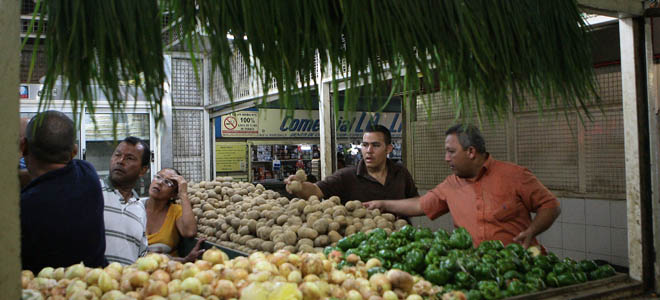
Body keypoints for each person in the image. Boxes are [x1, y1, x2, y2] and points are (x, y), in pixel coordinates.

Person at [364, 124, 561, 248]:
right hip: (475, 271)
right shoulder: (451, 184)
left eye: (451, 152)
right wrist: (382, 203)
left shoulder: (515, 175)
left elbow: (550, 206)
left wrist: (532, 231)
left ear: (471, 152)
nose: (446, 158)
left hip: (517, 268)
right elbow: (419, 205)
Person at [20, 111, 106, 272]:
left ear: (23, 147)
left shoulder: (24, 208)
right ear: (74, 151)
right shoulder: (88, 174)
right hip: (93, 288)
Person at [285, 125, 418, 204]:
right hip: (362, 244)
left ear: (388, 149)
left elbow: (415, 202)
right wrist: (299, 186)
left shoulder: (401, 173)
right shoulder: (346, 176)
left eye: (376, 145)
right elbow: (316, 190)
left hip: (400, 241)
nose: (369, 151)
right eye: (365, 145)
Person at [103, 136, 150, 265]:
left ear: (143, 170)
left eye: (129, 158)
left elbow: (142, 255)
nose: (120, 161)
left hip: (125, 283)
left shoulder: (139, 208)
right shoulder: (94, 192)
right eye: (117, 155)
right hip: (94, 282)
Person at [144, 168, 202, 262]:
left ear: (174, 194)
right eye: (158, 177)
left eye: (167, 182)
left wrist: (183, 194)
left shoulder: (175, 211)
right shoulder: (135, 208)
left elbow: (189, 231)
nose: (159, 183)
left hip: (167, 271)